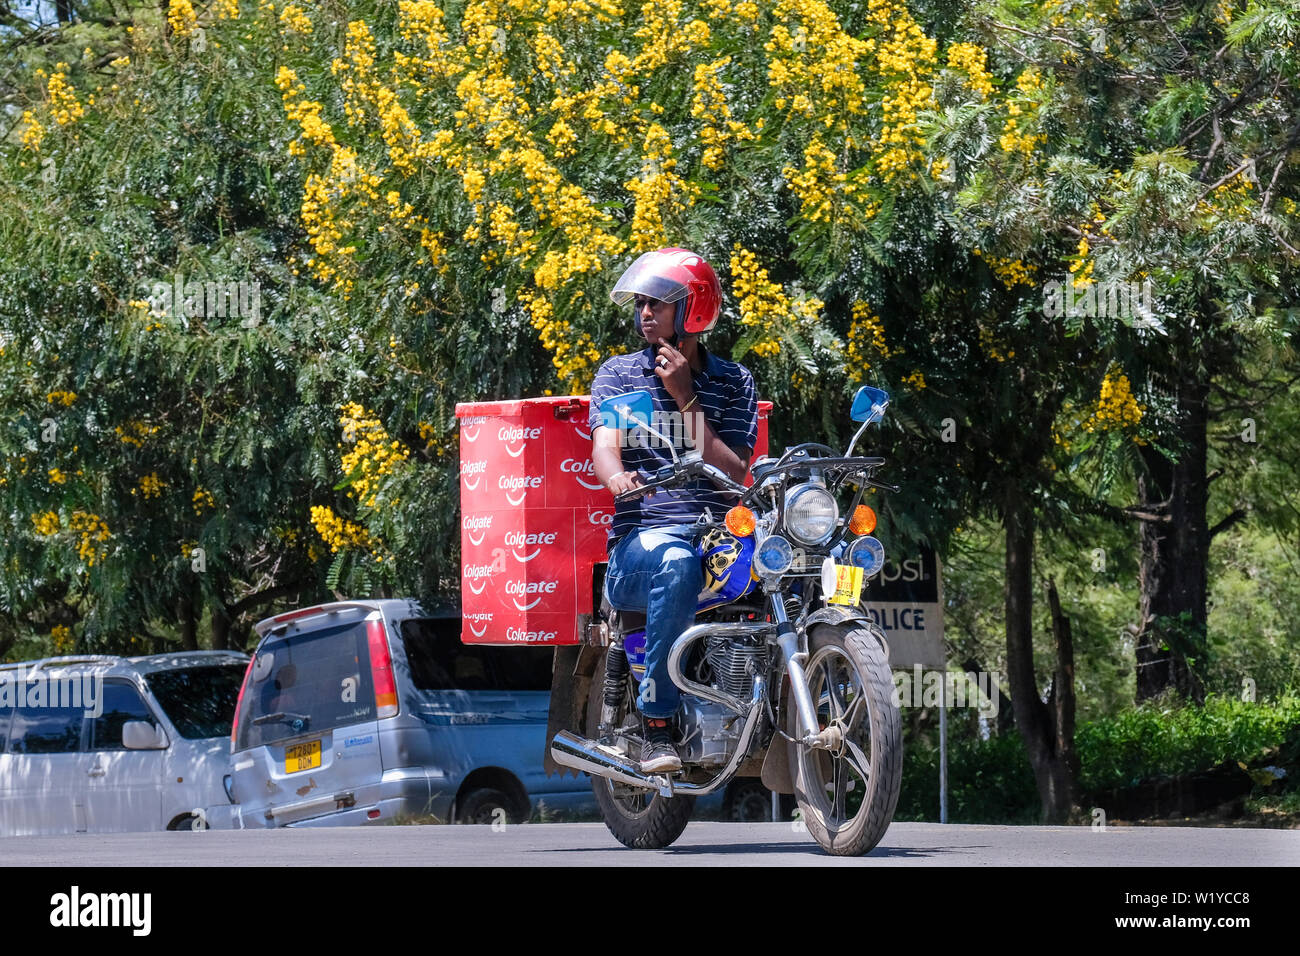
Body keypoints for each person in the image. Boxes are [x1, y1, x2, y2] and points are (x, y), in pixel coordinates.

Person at [587, 247, 758, 773]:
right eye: (640, 304)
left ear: (694, 310)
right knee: (678, 561)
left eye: (657, 304)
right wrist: (616, 477)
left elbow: (734, 473)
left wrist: (686, 397)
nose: (644, 314)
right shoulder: (619, 375)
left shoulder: (733, 382)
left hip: (718, 537)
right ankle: (658, 722)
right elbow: (605, 447)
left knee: (793, 562)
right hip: (643, 546)